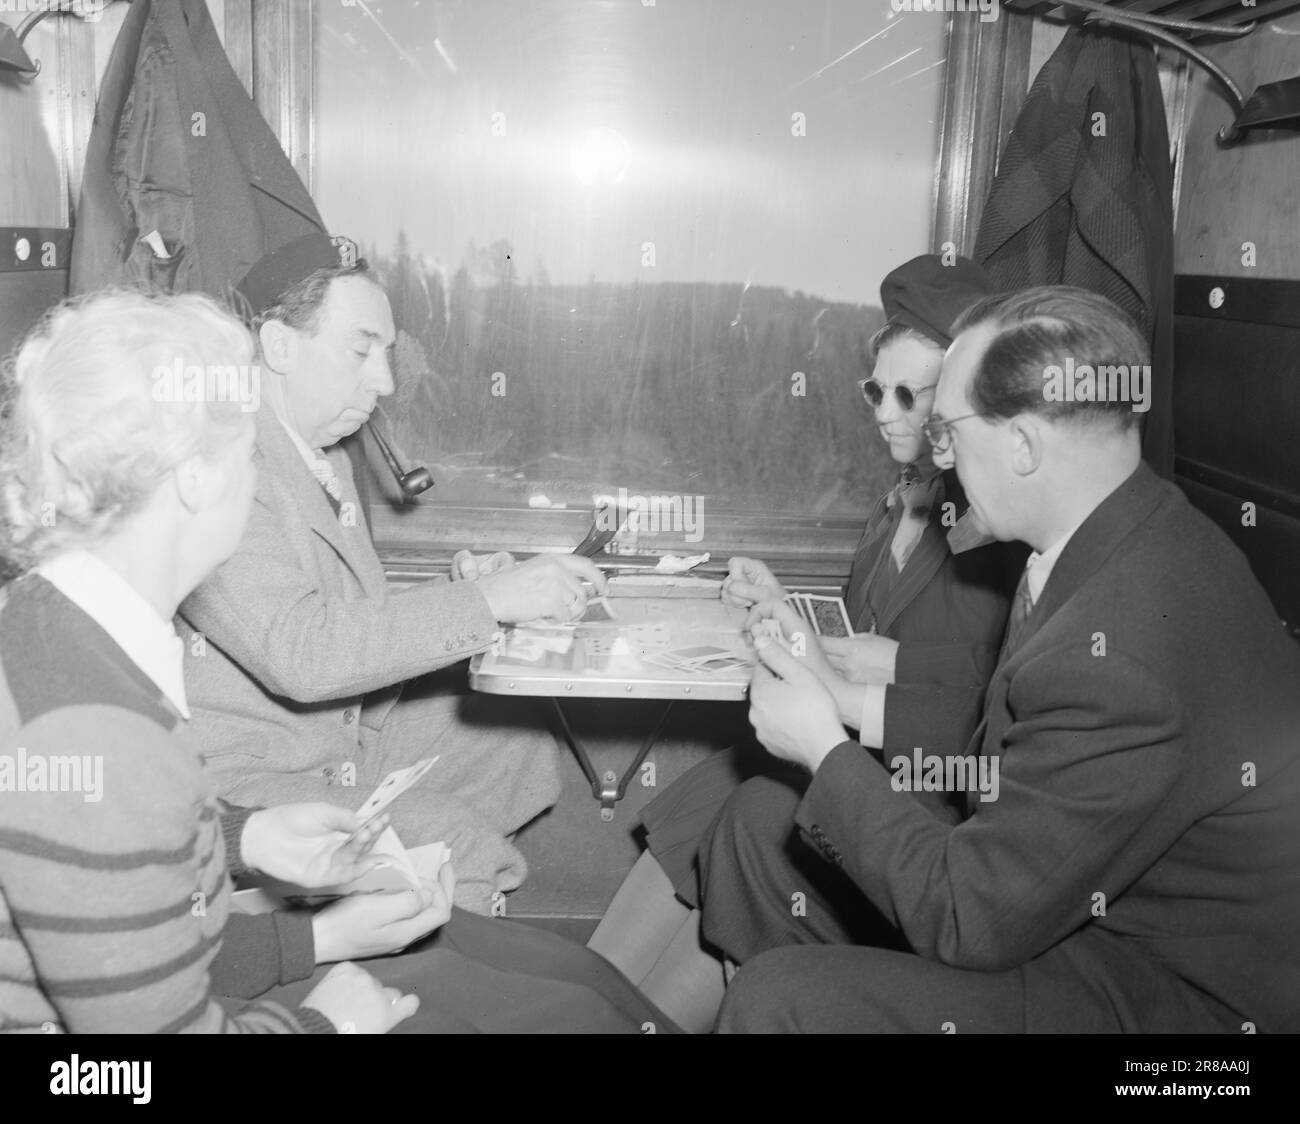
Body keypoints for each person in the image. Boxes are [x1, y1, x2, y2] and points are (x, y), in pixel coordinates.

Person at [0, 290, 677, 1034]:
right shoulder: (99, 734)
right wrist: (327, 1026)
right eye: (245, 452)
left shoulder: (56, 626)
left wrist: (252, 848)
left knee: (571, 984)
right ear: (194, 478)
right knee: (569, 1015)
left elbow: (143, 915)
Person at [707, 286, 1300, 1032]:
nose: (941, 458)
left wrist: (823, 749)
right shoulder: (1117, 535)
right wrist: (845, 697)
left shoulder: (1122, 652)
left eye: (949, 433)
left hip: (1174, 1012)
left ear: (1021, 446)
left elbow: (972, 919)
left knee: (779, 1001)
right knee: (767, 820)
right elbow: (1026, 737)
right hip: (1082, 911)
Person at [587, 255, 1020, 1030]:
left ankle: (610, 1013)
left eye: (908, 396)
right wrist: (788, 608)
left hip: (938, 785)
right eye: (874, 391)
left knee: (757, 796)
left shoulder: (995, 525)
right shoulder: (903, 502)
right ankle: (590, 998)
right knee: (736, 781)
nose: (885, 414)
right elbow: (857, 631)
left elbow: (987, 693)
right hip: (879, 739)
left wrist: (870, 681)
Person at [177, 233, 606, 914]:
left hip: (337, 737)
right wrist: (487, 600)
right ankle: (429, 930)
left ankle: (397, 899)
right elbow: (307, 656)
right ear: (281, 347)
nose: (385, 381)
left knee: (516, 742)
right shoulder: (225, 467)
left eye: (387, 354)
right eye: (361, 350)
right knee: (457, 843)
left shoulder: (323, 457)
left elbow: (350, 614)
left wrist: (462, 591)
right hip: (245, 778)